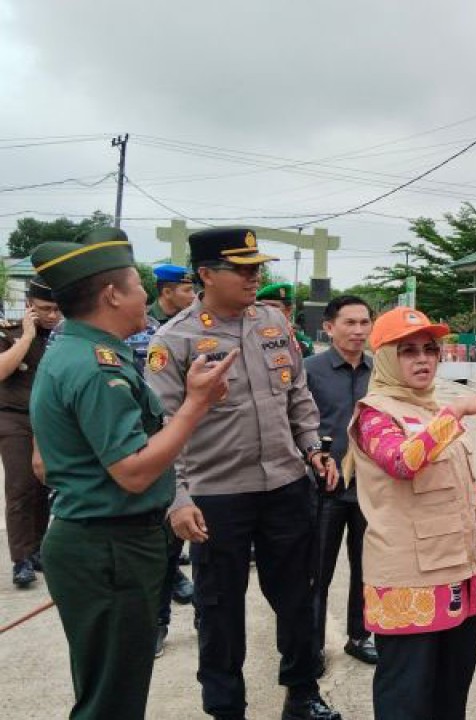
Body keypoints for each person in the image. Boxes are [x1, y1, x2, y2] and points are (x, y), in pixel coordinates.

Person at [28, 233, 234, 720]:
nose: (146, 294)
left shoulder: (84, 352)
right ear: (112, 295)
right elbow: (135, 473)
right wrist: (195, 406)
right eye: (137, 285)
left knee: (111, 687)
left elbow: (63, 460)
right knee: (111, 700)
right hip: (110, 550)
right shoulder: (96, 367)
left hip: (105, 545)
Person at [147, 227, 342, 720]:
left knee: (299, 598)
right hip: (216, 496)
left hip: (284, 485)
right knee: (219, 610)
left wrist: (311, 448)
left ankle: (302, 693)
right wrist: (179, 498)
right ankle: (225, 707)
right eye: (243, 268)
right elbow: (162, 426)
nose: (256, 276)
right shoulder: (175, 340)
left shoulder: (273, 325)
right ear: (207, 274)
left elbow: (297, 394)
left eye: (258, 267)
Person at [346, 305, 476, 720]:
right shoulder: (374, 413)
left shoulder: (428, 407)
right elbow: (402, 461)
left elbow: (467, 489)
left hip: (459, 569)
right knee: (407, 697)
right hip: (408, 581)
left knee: (451, 691)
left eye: (430, 349)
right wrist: (455, 412)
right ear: (385, 358)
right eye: (408, 351)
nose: (423, 359)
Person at [305, 296, 377, 671]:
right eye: (349, 323)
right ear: (330, 327)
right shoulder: (309, 370)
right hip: (325, 490)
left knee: (367, 568)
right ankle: (312, 645)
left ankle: (360, 635)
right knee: (317, 571)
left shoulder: (379, 370)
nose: (358, 330)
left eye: (364, 322)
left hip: (370, 489)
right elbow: (295, 424)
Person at [132, 263, 198, 657]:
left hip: (189, 442)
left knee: (184, 539)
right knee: (162, 538)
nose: (192, 296)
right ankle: (157, 621)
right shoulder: (145, 327)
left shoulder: (199, 331)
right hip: (148, 439)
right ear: (167, 291)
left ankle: (180, 588)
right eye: (186, 289)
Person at [0, 275, 60, 589]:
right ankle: (21, 559)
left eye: (57, 309)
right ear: (29, 306)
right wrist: (25, 336)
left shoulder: (64, 336)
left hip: (50, 421)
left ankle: (37, 549)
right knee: (21, 485)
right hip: (14, 419)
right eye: (45, 309)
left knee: (44, 485)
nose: (53, 315)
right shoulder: (8, 333)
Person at [257, 281, 315, 357]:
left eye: (273, 306)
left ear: (289, 310)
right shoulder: (250, 338)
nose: (267, 311)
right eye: (261, 307)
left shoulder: (301, 343)